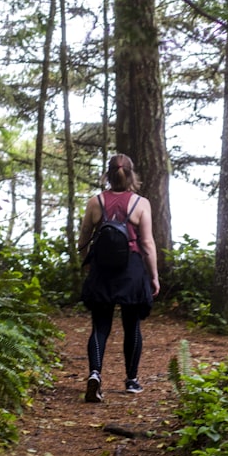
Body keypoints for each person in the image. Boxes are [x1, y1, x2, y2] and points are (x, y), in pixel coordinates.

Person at [77, 153, 160, 403]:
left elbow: (83, 240)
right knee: (132, 326)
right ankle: (132, 380)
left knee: (100, 326)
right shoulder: (141, 203)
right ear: (131, 174)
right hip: (132, 270)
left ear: (108, 175)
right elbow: (146, 243)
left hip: (102, 270)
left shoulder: (95, 202)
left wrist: (87, 264)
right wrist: (154, 276)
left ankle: (95, 373)